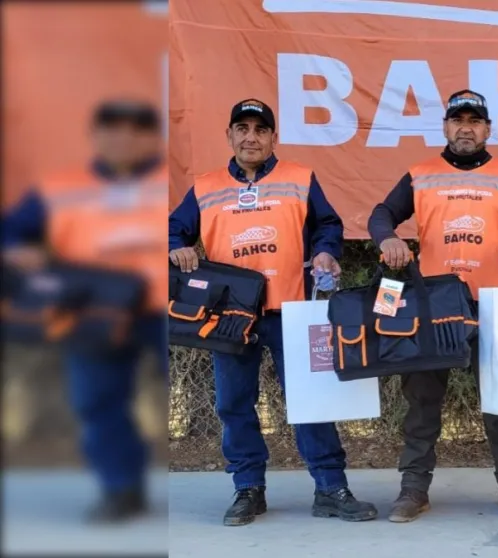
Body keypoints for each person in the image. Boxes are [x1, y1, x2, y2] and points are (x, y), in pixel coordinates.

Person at [167, 99, 377, 526]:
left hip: (291, 309)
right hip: (229, 315)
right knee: (234, 403)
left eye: (260, 130)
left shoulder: (300, 178)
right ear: (229, 136)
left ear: (273, 138)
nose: (251, 137)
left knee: (310, 401)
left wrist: (324, 253)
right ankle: (248, 489)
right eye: (242, 128)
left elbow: (329, 225)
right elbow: (174, 228)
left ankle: (330, 488)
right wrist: (177, 247)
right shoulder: (205, 187)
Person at [367, 89, 498, 523]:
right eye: (457, 120)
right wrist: (388, 238)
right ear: (445, 127)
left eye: (475, 121)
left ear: (487, 129)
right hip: (434, 308)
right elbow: (379, 215)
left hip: (492, 307)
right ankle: (413, 490)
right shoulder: (421, 173)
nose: (466, 128)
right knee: (422, 402)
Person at [1, 100, 169, 522]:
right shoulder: (59, 186)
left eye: (135, 131)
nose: (123, 140)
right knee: (98, 401)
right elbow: (10, 231)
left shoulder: (174, 181)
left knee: (205, 396)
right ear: (94, 137)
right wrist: (15, 248)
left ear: (152, 138)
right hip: (93, 311)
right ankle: (121, 490)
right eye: (112, 131)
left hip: (165, 312)